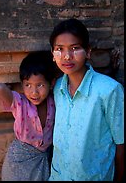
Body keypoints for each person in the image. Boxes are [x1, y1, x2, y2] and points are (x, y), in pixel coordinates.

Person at [48, 18, 124, 181]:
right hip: (59, 176)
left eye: (75, 48)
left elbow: (121, 142)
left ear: (88, 52)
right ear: (53, 55)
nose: (67, 56)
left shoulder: (109, 90)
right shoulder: (57, 87)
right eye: (59, 49)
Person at [0, 51, 56, 181]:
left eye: (40, 85)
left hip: (43, 158)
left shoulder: (54, 101)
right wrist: (9, 88)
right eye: (28, 85)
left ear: (52, 83)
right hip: (19, 160)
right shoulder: (20, 103)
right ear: (22, 85)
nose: (34, 92)